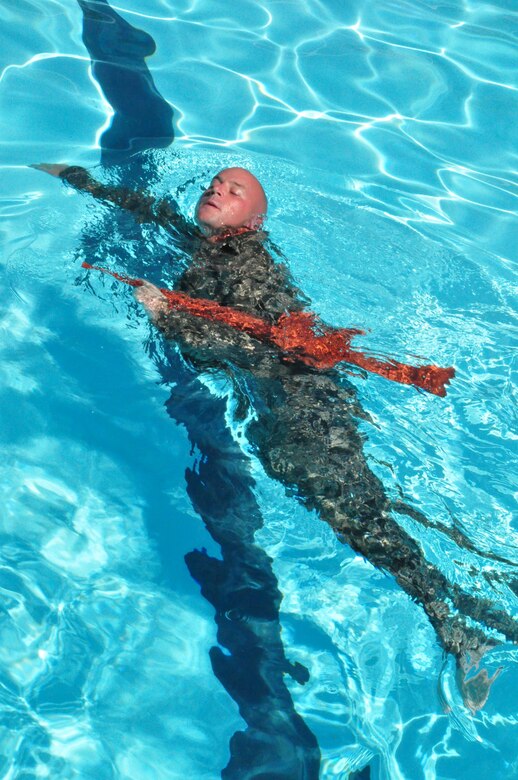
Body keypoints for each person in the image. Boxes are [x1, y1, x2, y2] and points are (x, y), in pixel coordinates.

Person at [34, 0, 516, 744]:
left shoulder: (248, 266)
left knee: (362, 522)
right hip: (290, 406)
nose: (218, 190)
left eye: (235, 190)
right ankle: (490, 597)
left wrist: (174, 319)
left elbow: (255, 349)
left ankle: (460, 629)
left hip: (300, 408)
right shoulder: (215, 247)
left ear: (254, 222)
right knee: (376, 513)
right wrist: (77, 180)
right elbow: (153, 214)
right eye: (216, 183)